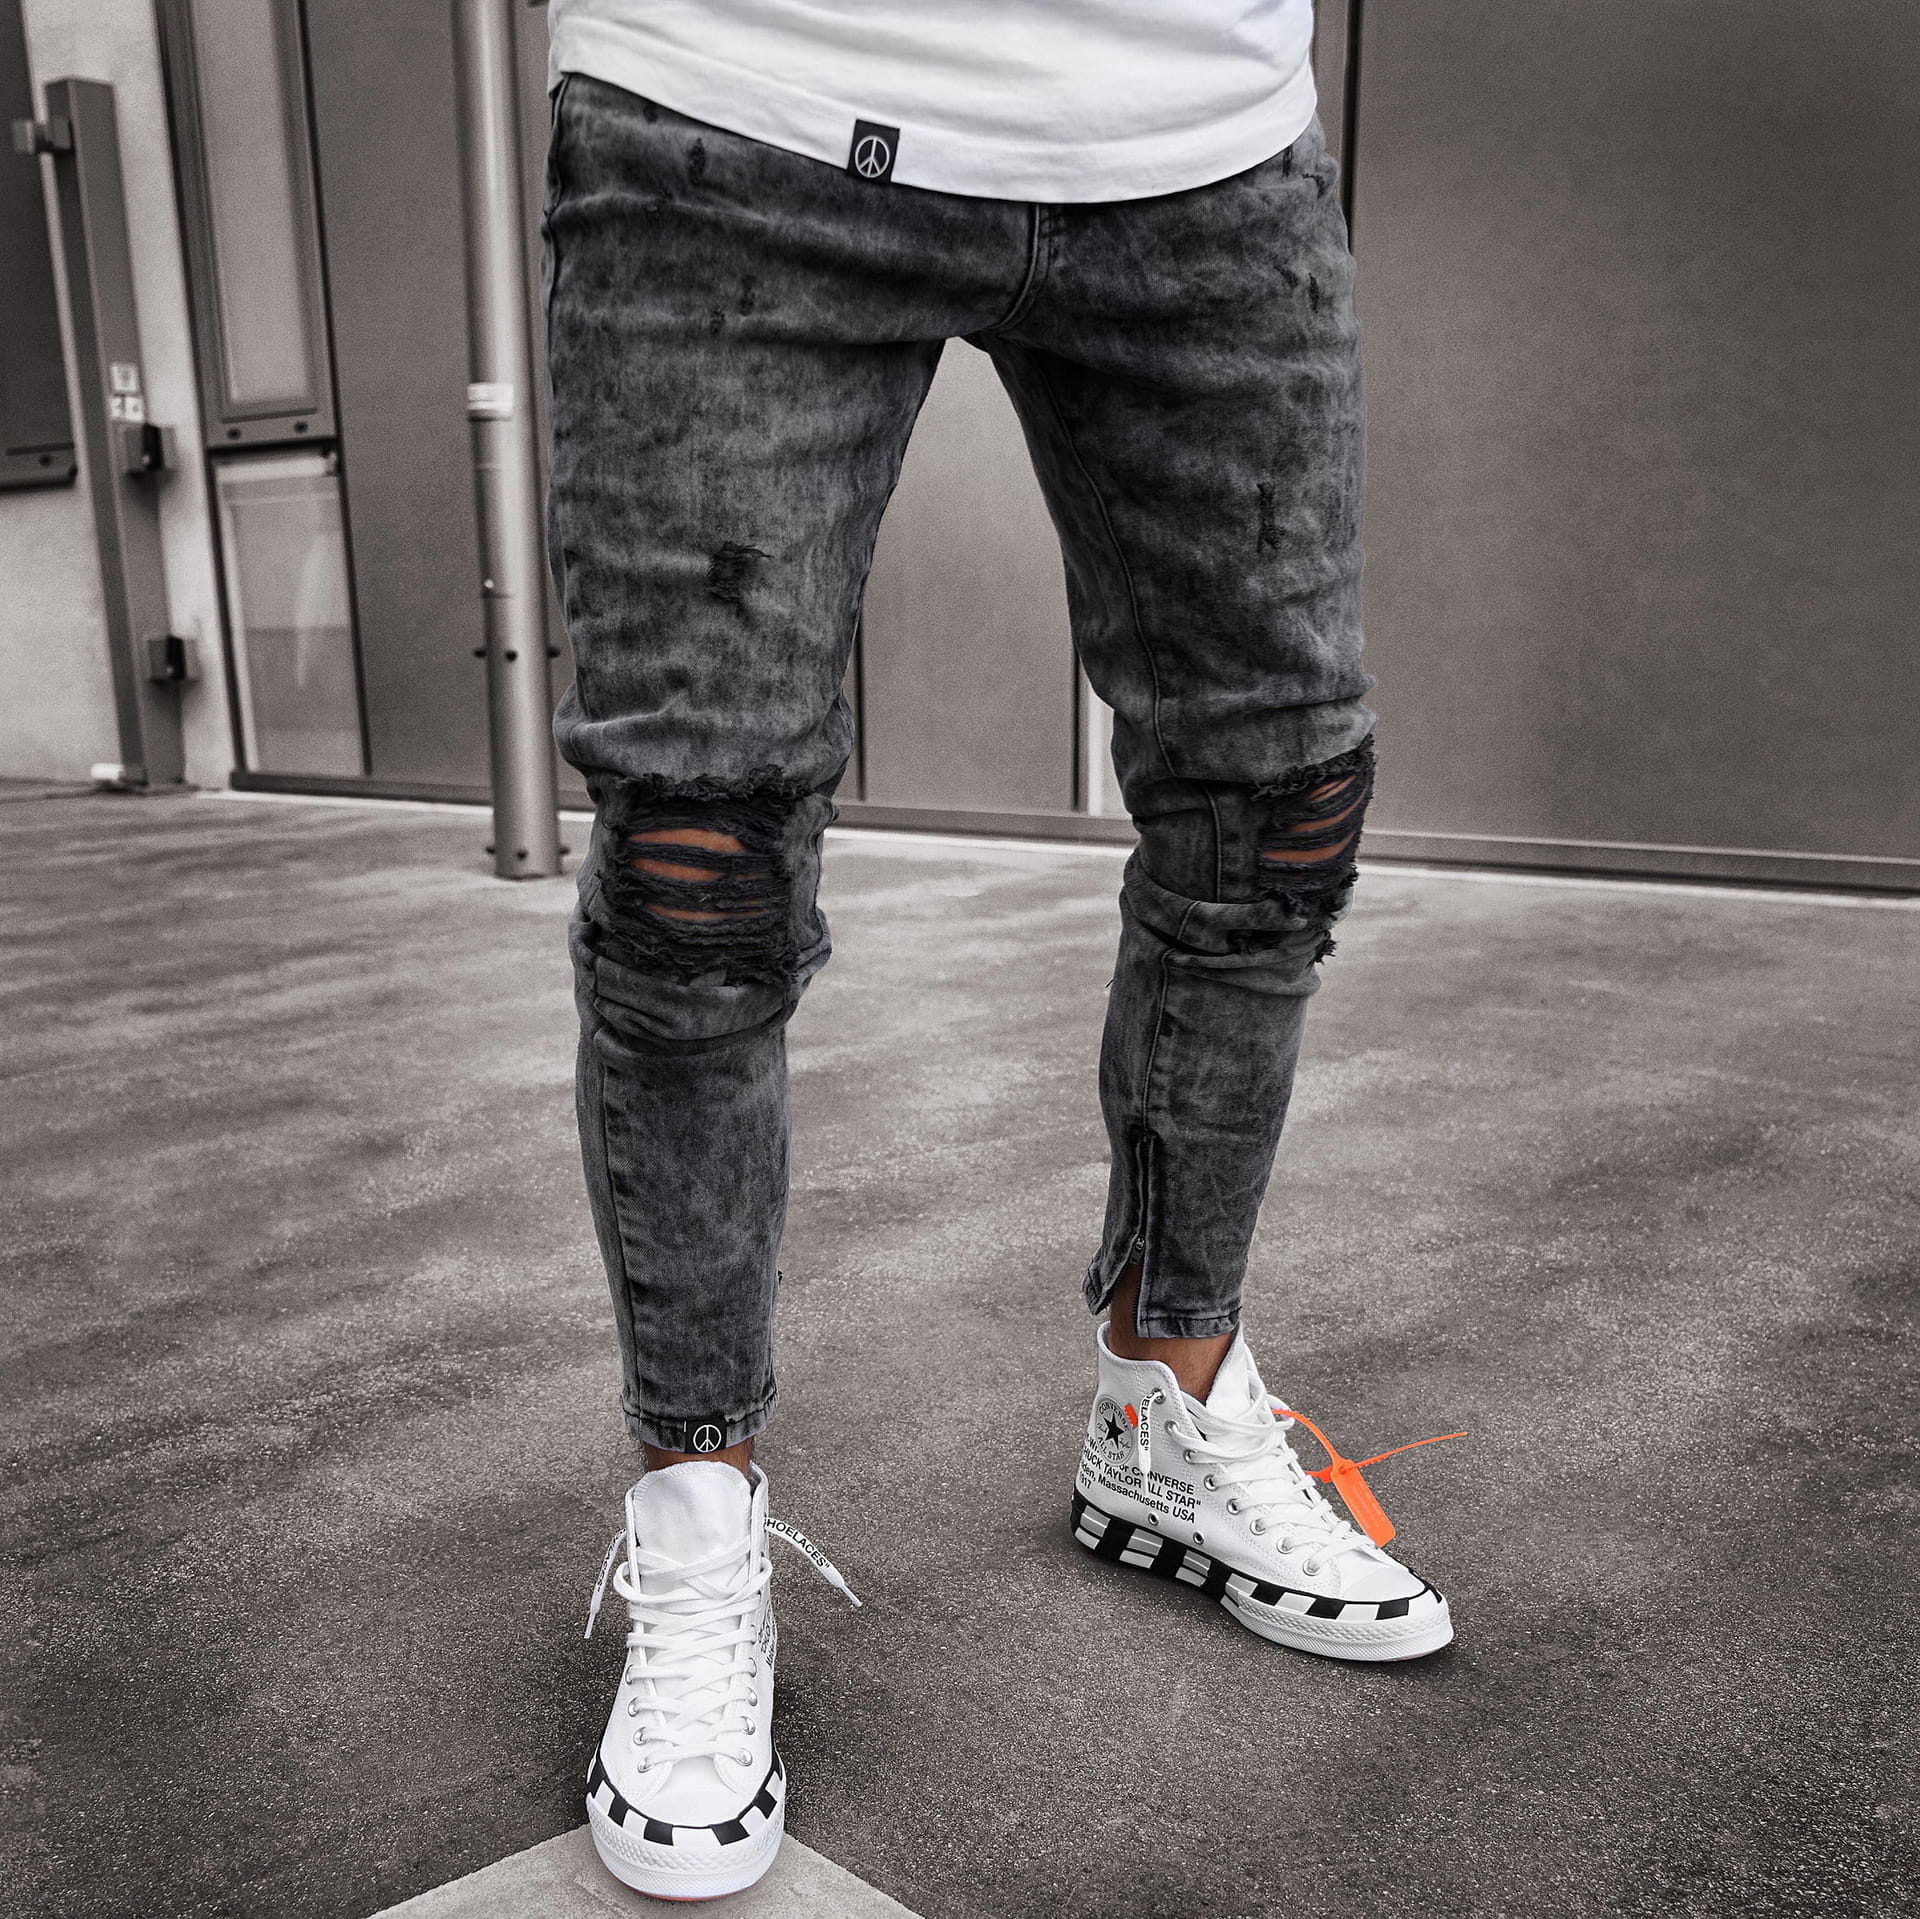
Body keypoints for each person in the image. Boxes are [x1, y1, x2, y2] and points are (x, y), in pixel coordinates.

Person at [542, 0, 1455, 1898]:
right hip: (746, 104)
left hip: (1201, 134)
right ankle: (697, 1513)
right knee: (699, 859)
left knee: (1278, 796)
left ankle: (1168, 1405)